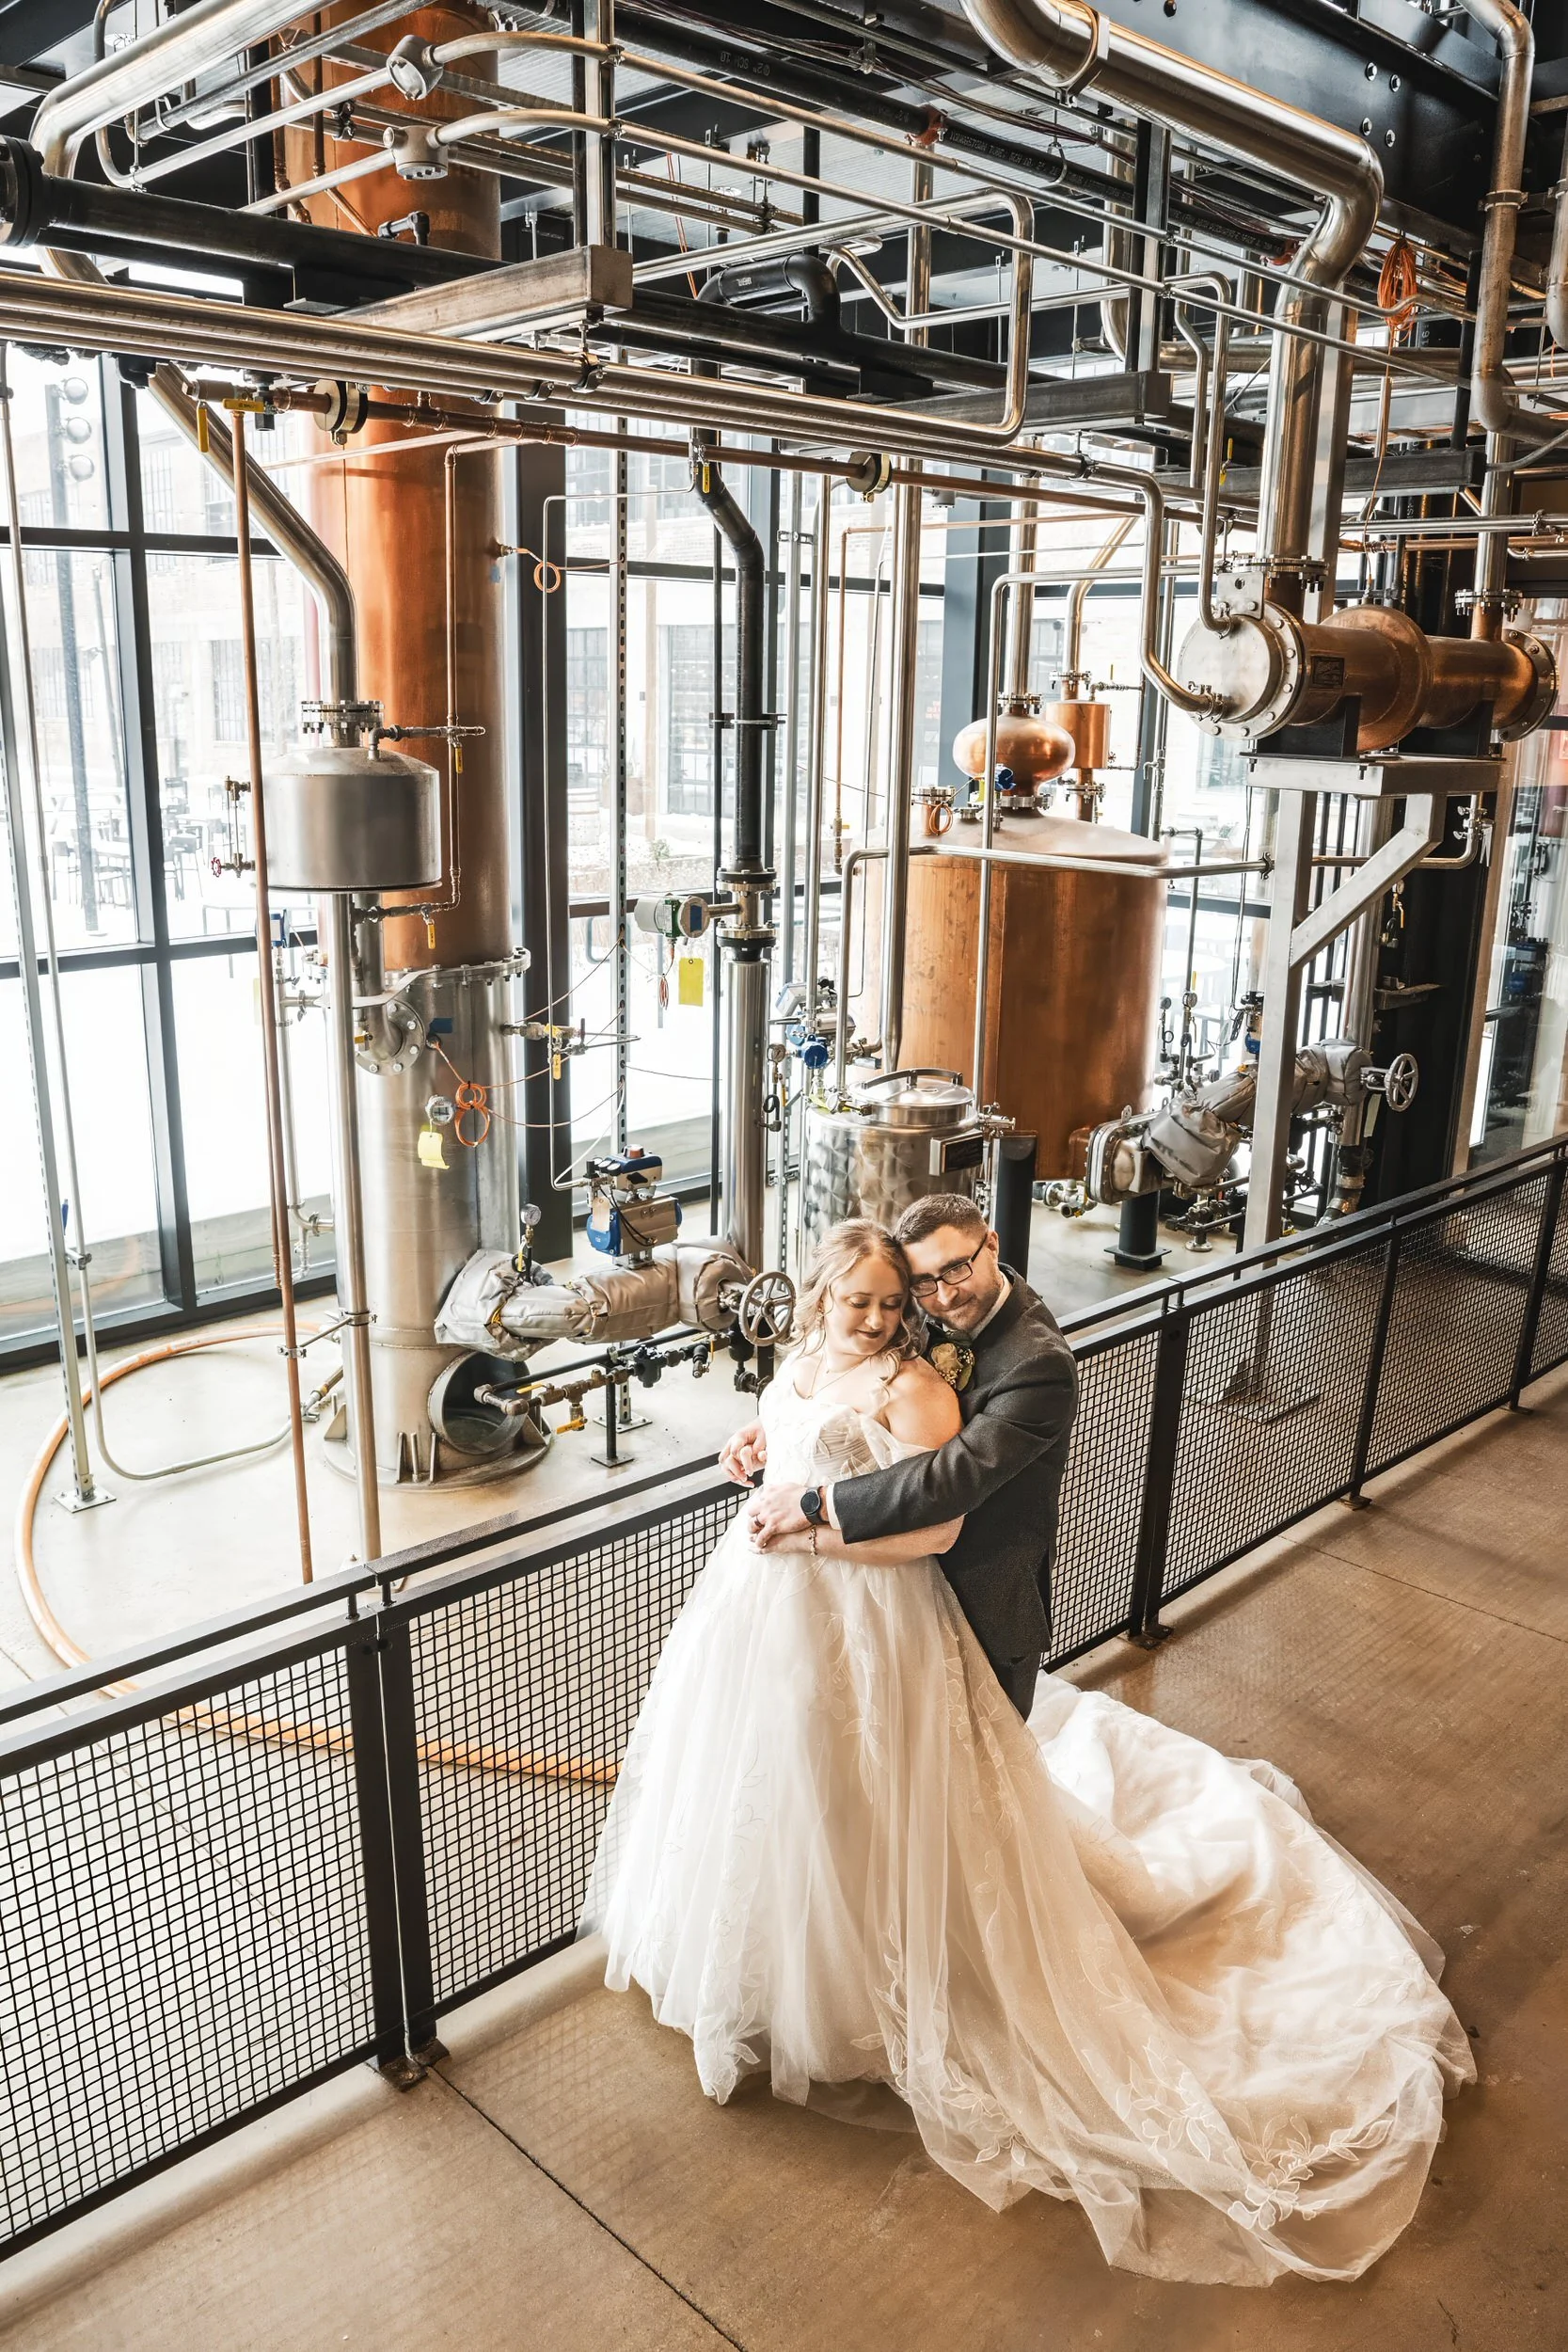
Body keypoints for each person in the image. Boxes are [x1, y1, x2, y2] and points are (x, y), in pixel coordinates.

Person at [580, 1218, 1473, 2287]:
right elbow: (807, 1421)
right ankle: (781, 1964)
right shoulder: (828, 1352)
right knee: (787, 1792)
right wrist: (762, 1450)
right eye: (894, 1288)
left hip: (902, 1603)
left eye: (924, 1283)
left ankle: (892, 1975)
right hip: (775, 1612)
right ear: (826, 1293)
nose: (910, 1302)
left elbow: (936, 1502)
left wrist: (805, 1514)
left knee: (901, 1795)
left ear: (987, 1250)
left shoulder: (1023, 1367)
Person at [737, 1194, 1077, 1717]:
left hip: (980, 1587)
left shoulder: (1038, 1364)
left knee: (976, 1770)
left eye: (957, 1268)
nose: (942, 1294)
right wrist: (782, 1425)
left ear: (992, 1243)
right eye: (923, 1282)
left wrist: (812, 1504)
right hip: (877, 1581)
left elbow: (947, 1480)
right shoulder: (917, 1305)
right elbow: (854, 1385)